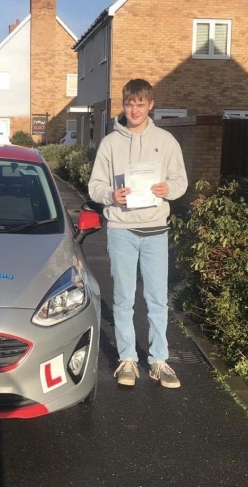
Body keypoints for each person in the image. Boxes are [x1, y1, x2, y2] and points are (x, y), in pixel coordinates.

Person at [88, 78, 188, 388]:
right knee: (123, 299)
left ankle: (159, 360)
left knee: (157, 299)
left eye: (140, 104)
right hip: (122, 230)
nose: (134, 109)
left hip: (156, 230)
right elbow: (95, 186)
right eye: (130, 103)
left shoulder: (167, 141)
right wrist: (111, 196)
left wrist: (167, 188)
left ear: (150, 105)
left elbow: (181, 182)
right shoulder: (110, 143)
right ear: (124, 104)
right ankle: (127, 358)